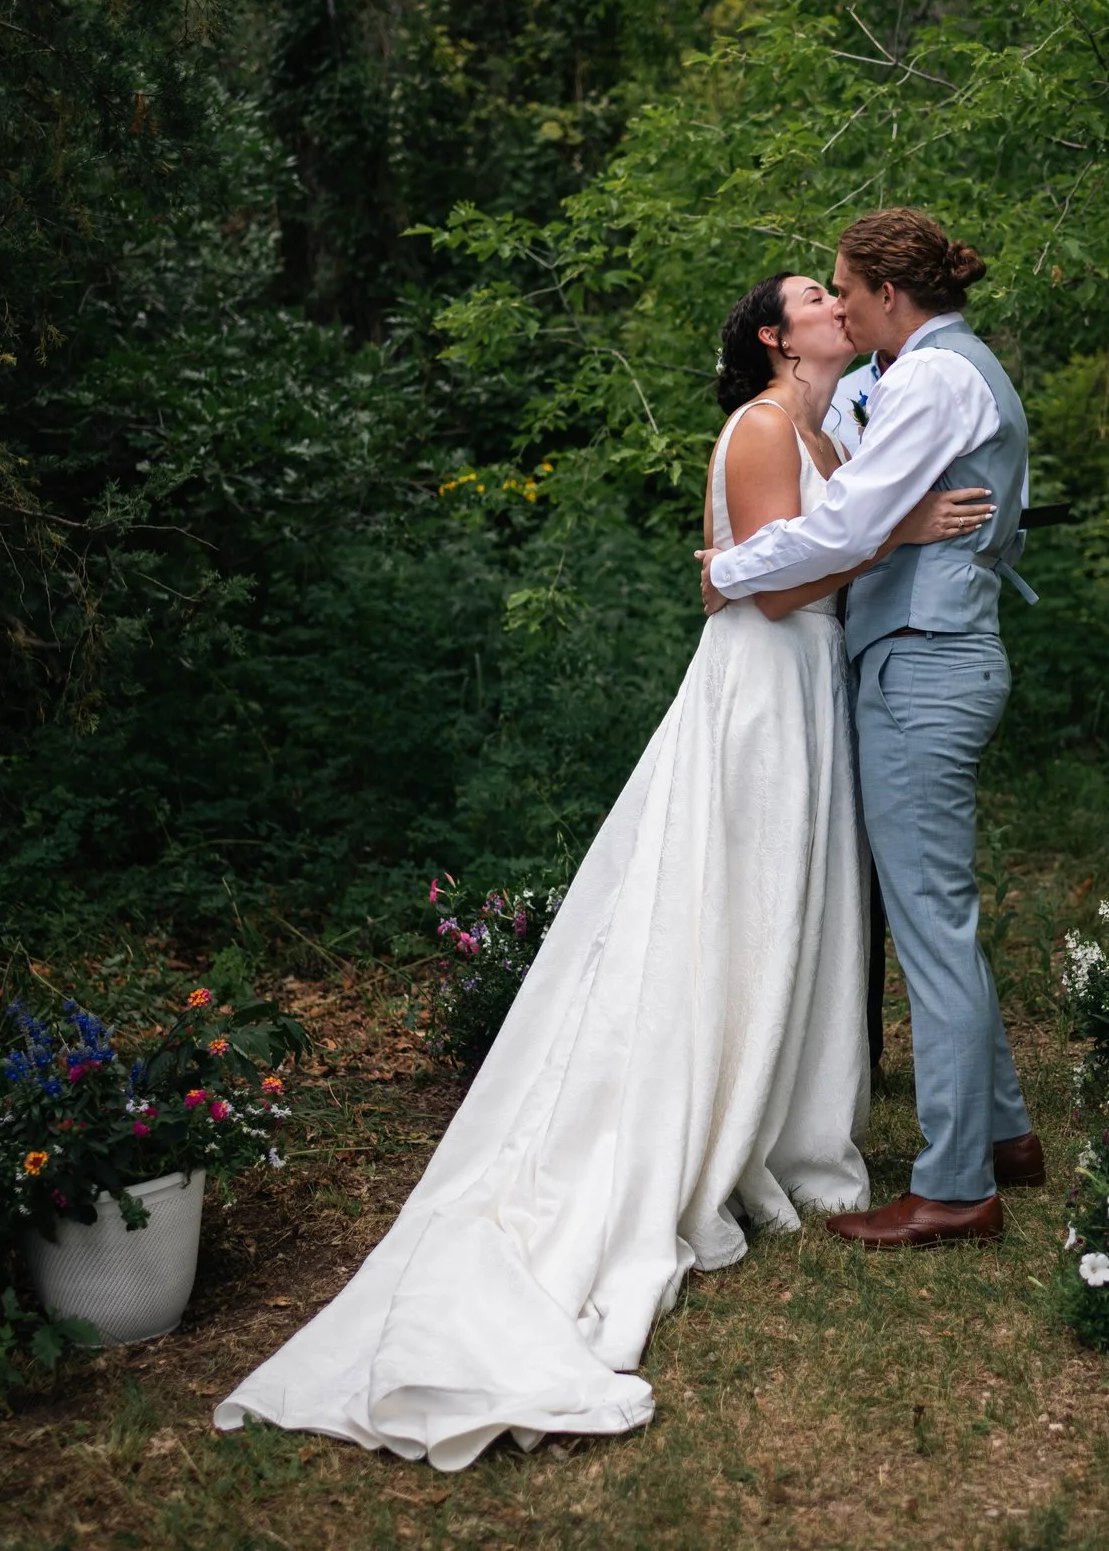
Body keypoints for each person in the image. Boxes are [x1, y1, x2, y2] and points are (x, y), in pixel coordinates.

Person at [210, 272, 989, 1471]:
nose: (839, 303)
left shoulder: (835, 424)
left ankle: (784, 1111)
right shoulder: (768, 427)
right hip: (759, 695)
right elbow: (773, 584)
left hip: (807, 690)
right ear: (778, 339)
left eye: (843, 292)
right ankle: (686, 1127)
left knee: (791, 913)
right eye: (814, 298)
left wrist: (885, 530)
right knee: (732, 907)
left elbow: (799, 556)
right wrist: (897, 534)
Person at [700, 207, 1045, 1250]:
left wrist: (724, 569)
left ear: (889, 297)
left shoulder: (937, 377)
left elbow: (847, 525)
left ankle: (952, 1186)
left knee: (932, 923)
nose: (839, 307)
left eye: (845, 290)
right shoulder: (919, 374)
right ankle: (1006, 1136)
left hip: (922, 662)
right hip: (921, 655)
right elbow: (851, 479)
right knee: (935, 911)